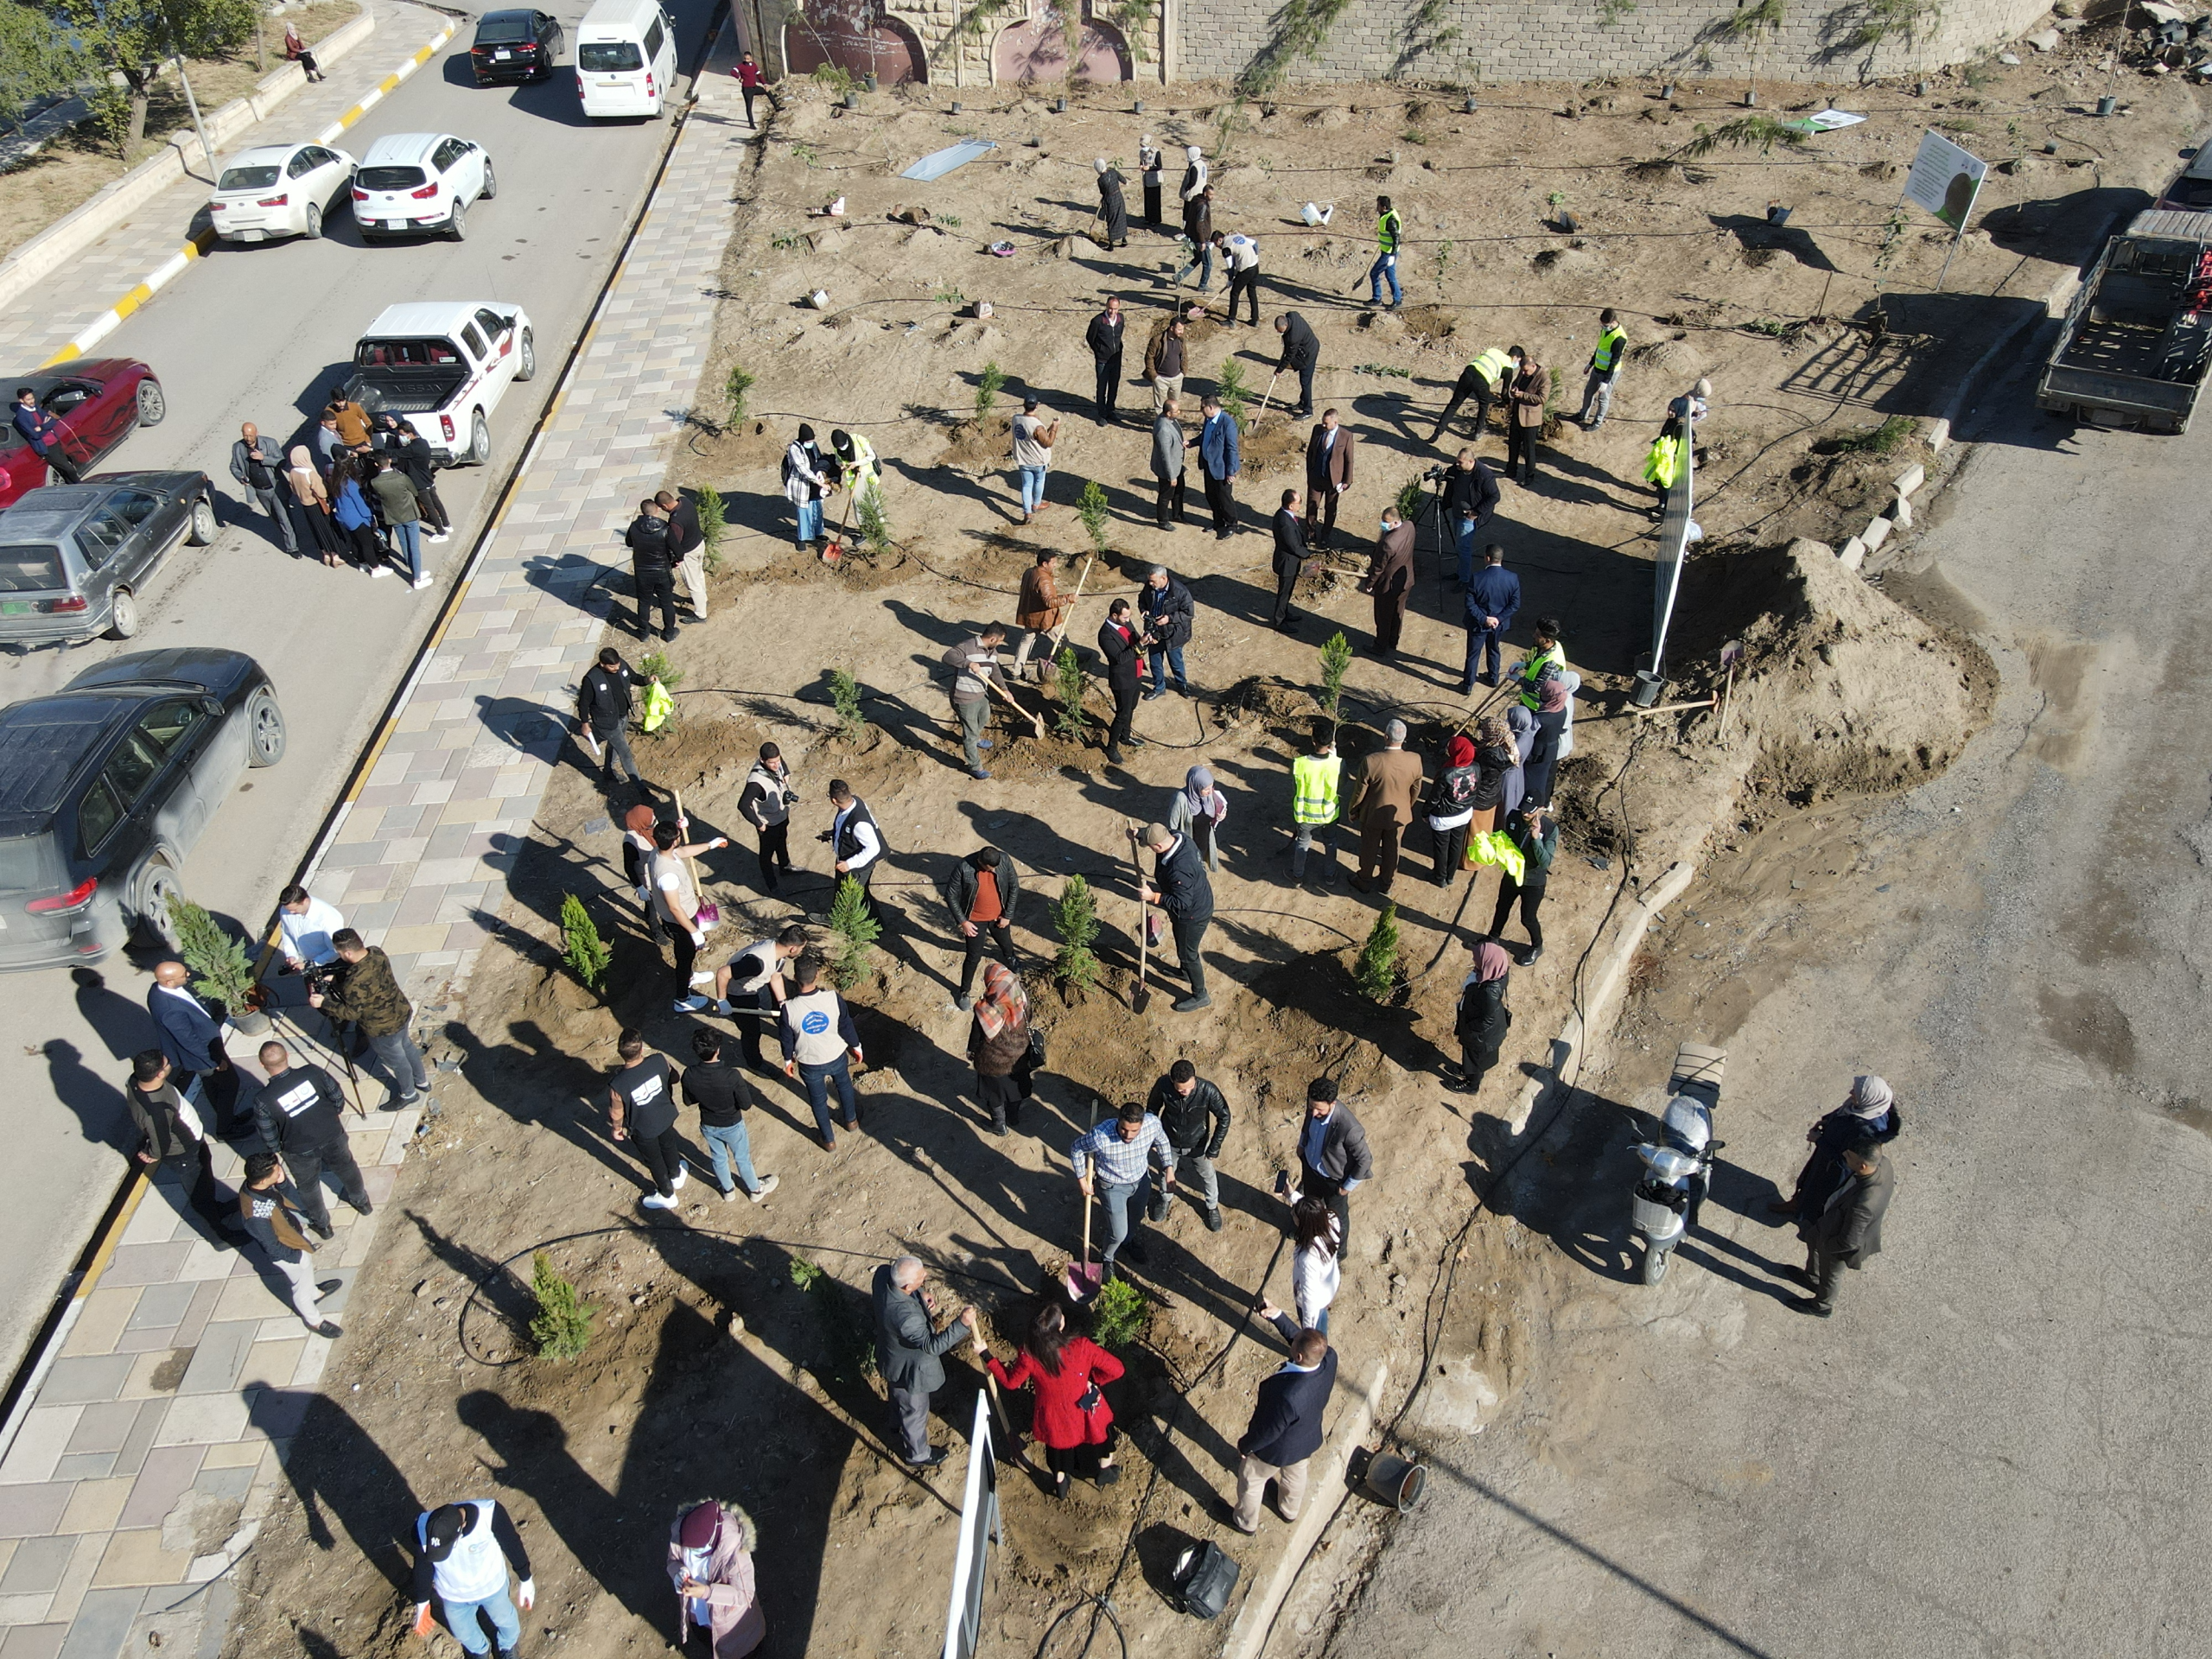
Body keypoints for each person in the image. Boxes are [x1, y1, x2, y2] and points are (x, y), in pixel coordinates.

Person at [984, 1304, 1126, 1497]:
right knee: (1101, 1439)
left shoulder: (1029, 1355)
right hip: (1085, 1408)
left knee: (1058, 1452)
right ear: (1060, 1326)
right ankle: (1104, 1472)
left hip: (1054, 1417)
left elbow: (1011, 1382)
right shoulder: (1081, 1346)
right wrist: (1094, 1380)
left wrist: (987, 1357)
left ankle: (1061, 1484)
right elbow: (1117, 1369)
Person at [1230, 1312, 1337, 1534]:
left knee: (1252, 1480)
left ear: (1297, 1356)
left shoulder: (1288, 1395)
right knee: (1296, 1475)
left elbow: (1269, 1431)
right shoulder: (1328, 1358)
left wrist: (1247, 1446)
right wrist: (1277, 1315)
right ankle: (1289, 1511)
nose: (1293, 1338)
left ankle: (1245, 1523)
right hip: (1306, 1440)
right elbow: (1302, 1342)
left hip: (1275, 1451)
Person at [253, 1040, 372, 1238]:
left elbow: (269, 1136)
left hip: (298, 1150)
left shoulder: (263, 1100)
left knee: (308, 1186)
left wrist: (279, 1149)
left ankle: (323, 1225)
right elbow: (337, 1097)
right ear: (287, 1056)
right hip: (332, 1134)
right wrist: (332, 1116)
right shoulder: (313, 1072)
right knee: (347, 1167)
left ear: (262, 1065)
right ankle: (362, 1203)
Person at [872, 1255, 975, 1469]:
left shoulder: (883, 1276)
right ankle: (917, 1454)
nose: (926, 1275)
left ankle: (893, 1423)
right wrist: (961, 1324)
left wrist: (919, 1294)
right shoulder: (906, 1318)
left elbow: (905, 1291)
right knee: (914, 1412)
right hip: (910, 1371)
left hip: (891, 1357)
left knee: (896, 1396)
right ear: (907, 1284)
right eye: (921, 1277)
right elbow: (932, 1346)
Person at [309, 929, 429, 1110]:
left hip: (382, 1028)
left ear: (347, 953)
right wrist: (339, 976)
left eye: (340, 953)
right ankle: (422, 1081)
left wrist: (324, 1002)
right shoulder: (376, 953)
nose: (340, 956)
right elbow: (367, 978)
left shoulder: (355, 983)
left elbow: (351, 1013)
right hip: (400, 1011)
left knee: (397, 1060)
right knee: (407, 1046)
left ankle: (409, 1094)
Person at [125, 1050, 236, 1242]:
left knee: (206, 1183)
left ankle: (216, 1209)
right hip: (185, 1153)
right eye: (167, 1064)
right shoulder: (156, 1111)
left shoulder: (136, 1081)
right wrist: (151, 1153)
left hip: (193, 1143)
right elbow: (161, 1142)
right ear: (159, 1074)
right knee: (199, 1194)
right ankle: (219, 1237)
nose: (171, 1065)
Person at [412, 1499, 534, 1659]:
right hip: (453, 1596)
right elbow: (422, 1565)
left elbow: (512, 1543)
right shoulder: (422, 1527)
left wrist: (525, 1578)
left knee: (506, 1620)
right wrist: (422, 1602)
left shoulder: (489, 1514)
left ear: (461, 1528)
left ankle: (507, 1645)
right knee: (463, 1632)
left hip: (492, 1587)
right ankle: (479, 1650)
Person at [238, 1154, 341, 1338]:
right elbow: (272, 1246)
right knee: (300, 1287)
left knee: (307, 1269)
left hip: (292, 1236)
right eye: (277, 1170)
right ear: (263, 1180)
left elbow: (293, 1200)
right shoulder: (255, 1215)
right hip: (288, 1252)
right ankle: (314, 1321)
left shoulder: (258, 1187)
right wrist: (295, 1256)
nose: (280, 1170)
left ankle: (315, 1293)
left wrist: (283, 1182)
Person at [1771, 1076, 1904, 1219]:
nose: (1851, 1092)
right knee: (1808, 1184)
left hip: (1832, 1171)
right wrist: (1827, 1121)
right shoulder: (1867, 1107)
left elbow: (1845, 1161)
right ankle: (1799, 1205)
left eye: (1856, 1091)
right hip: (1826, 1158)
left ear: (1869, 1097)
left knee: (1816, 1196)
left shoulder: (1865, 1131)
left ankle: (1807, 1222)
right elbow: (1842, 1115)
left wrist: (1820, 1140)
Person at [1071, 1099, 1177, 1272]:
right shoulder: (1100, 1137)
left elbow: (1162, 1141)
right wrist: (1082, 1179)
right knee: (1117, 1232)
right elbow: (1076, 1148)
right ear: (1118, 1120)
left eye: (1134, 1131)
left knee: (1135, 1218)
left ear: (1142, 1124)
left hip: (1141, 1181)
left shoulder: (1152, 1124)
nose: (1128, 1135)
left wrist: (1169, 1168)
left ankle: (1128, 1242)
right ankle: (1107, 1259)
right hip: (1112, 1187)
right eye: (1123, 1129)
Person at [1793, 1141, 1895, 1317]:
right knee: (1811, 1239)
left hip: (1837, 1242)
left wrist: (1827, 1245)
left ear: (1862, 1166)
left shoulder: (1864, 1203)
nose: (1845, 1156)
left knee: (1831, 1275)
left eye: (1849, 1157)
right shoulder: (1882, 1163)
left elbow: (1848, 1242)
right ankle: (1811, 1277)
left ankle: (1822, 1306)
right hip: (1828, 1224)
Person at [682, 1029, 778, 1203]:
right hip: (732, 1124)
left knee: (718, 1158)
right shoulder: (731, 1075)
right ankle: (756, 1190)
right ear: (717, 1050)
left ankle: (728, 1190)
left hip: (709, 1124)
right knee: (742, 1158)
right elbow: (746, 1104)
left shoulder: (689, 1074)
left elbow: (688, 1101)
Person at [147, 959, 241, 1133]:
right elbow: (189, 1040)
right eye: (184, 975)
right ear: (169, 982)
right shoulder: (170, 1010)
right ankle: (226, 1128)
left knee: (213, 1086)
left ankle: (227, 1118)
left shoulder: (159, 989)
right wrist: (214, 1061)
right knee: (230, 1084)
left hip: (205, 1049)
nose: (188, 975)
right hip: (203, 1054)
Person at [781, 955, 864, 1148]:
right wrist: (856, 1046)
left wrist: (787, 1061)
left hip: (809, 1063)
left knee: (818, 1100)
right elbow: (846, 1025)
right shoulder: (832, 998)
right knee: (844, 1086)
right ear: (817, 975)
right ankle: (851, 1121)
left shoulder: (788, 1009)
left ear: (795, 977)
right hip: (835, 1055)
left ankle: (828, 1140)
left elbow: (787, 1039)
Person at [647, 819, 730, 1008]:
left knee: (688, 954)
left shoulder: (660, 851)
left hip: (684, 915)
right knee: (684, 957)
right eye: (678, 836)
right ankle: (682, 998)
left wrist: (711, 844)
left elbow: (683, 852)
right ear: (674, 841)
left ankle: (690, 976)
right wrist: (694, 931)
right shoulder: (667, 875)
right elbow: (675, 908)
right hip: (680, 921)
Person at [667, 1500, 766, 1656]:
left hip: (733, 1628)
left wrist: (707, 1592)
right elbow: (673, 1560)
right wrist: (678, 1572)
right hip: (699, 1619)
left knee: (744, 1651)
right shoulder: (682, 1534)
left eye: (695, 1550)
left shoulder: (735, 1552)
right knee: (709, 1643)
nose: (689, 1552)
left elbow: (744, 1595)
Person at [608, 1028, 689, 1211]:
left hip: (643, 1129)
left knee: (654, 1161)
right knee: (669, 1143)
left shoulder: (618, 1084)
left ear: (621, 1053)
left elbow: (617, 1113)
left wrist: (616, 1129)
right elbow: (674, 1077)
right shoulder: (659, 1060)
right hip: (665, 1115)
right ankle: (676, 1174)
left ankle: (667, 1194)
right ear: (642, 1049)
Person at [1139, 819, 1214, 1012]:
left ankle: (1201, 995)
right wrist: (1139, 833)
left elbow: (1182, 903)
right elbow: (1158, 833)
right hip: (1193, 903)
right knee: (1182, 942)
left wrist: (1153, 896)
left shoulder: (1180, 868)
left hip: (1192, 915)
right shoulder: (1179, 838)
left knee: (1188, 955)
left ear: (1158, 846)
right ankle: (1185, 973)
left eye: (1150, 847)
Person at [1147, 1059, 1230, 1230]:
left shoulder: (1207, 1090)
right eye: (1180, 1089)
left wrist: (1215, 1146)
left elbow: (1224, 1116)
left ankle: (1212, 1206)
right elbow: (1152, 1111)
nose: (1185, 1092)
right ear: (1172, 1082)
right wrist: (1154, 1137)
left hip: (1197, 1144)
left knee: (1207, 1174)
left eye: (1189, 1087)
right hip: (1169, 1141)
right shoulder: (1163, 1086)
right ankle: (1166, 1199)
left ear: (1195, 1079)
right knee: (1165, 1172)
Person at [709, 926, 807, 1070]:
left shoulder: (778, 950)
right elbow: (723, 973)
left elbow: (776, 977)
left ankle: (790, 1040)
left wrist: (782, 1003)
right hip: (739, 994)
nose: (801, 951)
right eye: (801, 948)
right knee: (751, 1032)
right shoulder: (756, 963)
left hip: (758, 984)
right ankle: (755, 1063)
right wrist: (722, 1000)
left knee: (780, 1012)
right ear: (793, 949)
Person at [1348, 719, 1424, 894]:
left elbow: (1360, 792)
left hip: (1372, 815)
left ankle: (1364, 880)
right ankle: (1386, 882)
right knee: (1393, 849)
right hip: (1399, 816)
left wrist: (1354, 810)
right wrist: (1407, 806)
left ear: (1385, 737)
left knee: (1369, 849)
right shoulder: (1415, 760)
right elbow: (1416, 789)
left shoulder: (1371, 761)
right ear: (1404, 738)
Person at [1291, 1077, 1370, 1245]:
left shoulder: (1349, 1128)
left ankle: (1339, 1252)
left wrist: (1346, 1187)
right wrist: (1302, 1144)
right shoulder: (1314, 1107)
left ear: (1332, 1103)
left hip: (1334, 1181)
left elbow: (1365, 1159)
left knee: (1337, 1217)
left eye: (1319, 1110)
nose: (1313, 1113)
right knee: (1311, 1207)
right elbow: (1307, 1122)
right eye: (1311, 1107)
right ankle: (1309, 1233)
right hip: (1311, 1170)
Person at [944, 845, 1020, 1009]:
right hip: (974, 921)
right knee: (973, 957)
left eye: (996, 867)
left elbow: (1014, 886)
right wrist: (963, 921)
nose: (994, 870)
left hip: (999, 917)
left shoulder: (1004, 860)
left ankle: (1011, 959)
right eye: (990, 868)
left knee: (1006, 943)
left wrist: (1008, 915)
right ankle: (964, 991)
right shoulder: (964, 867)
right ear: (980, 861)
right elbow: (950, 895)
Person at [966, 962, 1031, 1135]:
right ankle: (1014, 1118)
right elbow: (1028, 1018)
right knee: (1015, 1091)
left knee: (994, 1095)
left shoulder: (985, 1009)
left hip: (993, 1063)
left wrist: (971, 1052)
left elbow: (976, 1037)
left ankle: (999, 1126)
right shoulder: (1021, 996)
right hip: (1020, 1056)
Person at [1489, 802, 1556, 964]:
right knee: (1502, 907)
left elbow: (1545, 862)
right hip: (1512, 875)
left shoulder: (1549, 828)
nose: (1525, 813)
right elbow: (1507, 840)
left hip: (1533, 882)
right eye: (1524, 809)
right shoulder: (1513, 817)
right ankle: (1492, 938)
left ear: (1540, 809)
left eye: (1530, 811)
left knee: (1528, 918)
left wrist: (1536, 839)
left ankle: (1537, 946)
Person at [943, 623, 1009, 780]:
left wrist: (1005, 689)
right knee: (970, 733)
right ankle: (975, 767)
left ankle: (975, 738)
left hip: (981, 694)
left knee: (984, 717)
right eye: (1000, 641)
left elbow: (995, 671)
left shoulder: (993, 653)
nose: (1000, 644)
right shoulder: (967, 646)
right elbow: (948, 656)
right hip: (964, 697)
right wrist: (968, 663)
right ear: (993, 638)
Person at [577, 645, 645, 791]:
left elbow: (634, 677)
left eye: (618, 665)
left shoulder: (621, 666)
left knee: (614, 744)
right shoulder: (592, 679)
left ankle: (608, 771)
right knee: (625, 752)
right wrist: (585, 723)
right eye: (612, 666)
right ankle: (641, 789)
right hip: (607, 722)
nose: (617, 668)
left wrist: (648, 680)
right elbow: (583, 704)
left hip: (623, 715)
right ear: (602, 664)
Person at [1452, 940, 1513, 1094]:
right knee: (1471, 1057)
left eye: (1477, 959)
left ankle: (1471, 1085)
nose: (1474, 961)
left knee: (1476, 1060)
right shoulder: (1496, 973)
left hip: (1481, 1035)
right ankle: (1467, 1070)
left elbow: (1486, 1021)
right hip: (1482, 1030)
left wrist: (1469, 1028)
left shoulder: (1488, 992)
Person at [736, 743, 798, 894]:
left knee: (782, 840)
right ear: (762, 760)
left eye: (778, 761)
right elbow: (743, 805)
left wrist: (786, 776)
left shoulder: (776, 762)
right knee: (766, 855)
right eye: (772, 763)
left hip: (781, 815)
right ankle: (772, 885)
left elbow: (782, 766)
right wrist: (759, 824)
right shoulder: (756, 783)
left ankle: (785, 867)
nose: (777, 765)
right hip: (768, 823)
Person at [229, 423, 297, 553]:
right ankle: (291, 534)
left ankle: (292, 547)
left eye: (251, 435)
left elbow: (281, 461)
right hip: (260, 490)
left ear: (257, 433)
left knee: (283, 517)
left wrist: (264, 458)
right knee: (275, 517)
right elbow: (233, 466)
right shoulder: (238, 447)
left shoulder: (269, 443)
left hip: (275, 488)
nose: (248, 438)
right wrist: (240, 477)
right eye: (245, 435)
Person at [1463, 543, 1520, 692]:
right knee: (1494, 649)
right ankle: (1493, 678)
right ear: (1501, 558)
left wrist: (1484, 619)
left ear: (1487, 558)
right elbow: (1514, 605)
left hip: (1478, 624)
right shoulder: (1512, 578)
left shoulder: (1477, 578)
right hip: (1499, 625)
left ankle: (1468, 686)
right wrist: (1498, 619)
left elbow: (1470, 604)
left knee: (1473, 654)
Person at [1289, 721, 1341, 885]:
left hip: (1305, 815)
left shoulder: (1300, 764)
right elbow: (1343, 783)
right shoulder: (1337, 764)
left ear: (1313, 741)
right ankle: (1330, 875)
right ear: (1331, 742)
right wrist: (1334, 755)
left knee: (1302, 844)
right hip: (1329, 815)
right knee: (1331, 843)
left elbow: (1295, 787)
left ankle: (1297, 876)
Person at [1425, 734, 1480, 886]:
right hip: (1464, 813)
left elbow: (1434, 798)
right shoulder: (1476, 767)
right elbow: (1476, 789)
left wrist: (1425, 812)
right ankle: (1450, 875)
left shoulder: (1446, 773)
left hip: (1443, 817)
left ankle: (1439, 877)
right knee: (1457, 844)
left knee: (1441, 847)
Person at [1429, 346, 1513, 447]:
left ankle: (1438, 432)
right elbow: (1505, 393)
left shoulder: (1494, 351)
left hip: (1468, 373)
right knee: (1483, 405)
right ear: (1517, 358)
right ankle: (1477, 433)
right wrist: (1507, 403)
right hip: (1482, 381)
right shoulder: (1509, 367)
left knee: (1454, 404)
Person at [1359, 505, 1414, 658]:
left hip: (1388, 585)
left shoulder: (1388, 543)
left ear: (1396, 522)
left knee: (1383, 616)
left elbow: (1378, 568)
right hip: (1406, 580)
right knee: (1398, 612)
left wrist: (1369, 584)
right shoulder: (1410, 526)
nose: (1383, 524)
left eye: (1386, 522)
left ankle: (1380, 646)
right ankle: (1393, 641)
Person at [1443, 447, 1500, 588]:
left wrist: (1476, 512)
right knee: (1459, 545)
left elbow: (1495, 496)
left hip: (1469, 518)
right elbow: (1450, 474)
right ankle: (1461, 572)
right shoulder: (1458, 469)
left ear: (1471, 461)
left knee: (1464, 548)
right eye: (1456, 462)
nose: (1457, 465)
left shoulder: (1484, 475)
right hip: (1456, 513)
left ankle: (1464, 579)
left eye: (1460, 462)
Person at [389, 418, 453, 542]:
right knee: (436, 502)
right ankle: (447, 524)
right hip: (427, 477)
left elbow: (395, 453)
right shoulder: (423, 442)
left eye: (402, 435)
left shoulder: (411, 449)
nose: (401, 437)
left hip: (419, 482)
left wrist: (373, 451)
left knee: (429, 506)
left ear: (409, 433)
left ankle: (441, 532)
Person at [1286, 1195, 1342, 1332]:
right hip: (1329, 1287)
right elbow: (1317, 1210)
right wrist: (1292, 1195)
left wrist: (1308, 1331)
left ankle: (1318, 1351)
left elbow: (1309, 1299)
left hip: (1317, 1301)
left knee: (1317, 1334)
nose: (1291, 1213)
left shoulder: (1308, 1258)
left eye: (1295, 1214)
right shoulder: (1332, 1221)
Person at [826, 780, 882, 918]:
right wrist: (835, 834)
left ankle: (836, 919)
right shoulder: (852, 803)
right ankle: (876, 923)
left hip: (857, 867)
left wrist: (850, 864)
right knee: (860, 893)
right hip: (847, 861)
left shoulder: (859, 822)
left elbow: (874, 848)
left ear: (834, 800)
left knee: (852, 894)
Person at [1098, 598, 1144, 765]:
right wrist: (1139, 645)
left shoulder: (1126, 622)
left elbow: (1135, 637)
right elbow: (1119, 658)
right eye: (1125, 617)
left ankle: (1125, 736)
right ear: (1114, 615)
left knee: (1131, 707)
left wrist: (1145, 641)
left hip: (1136, 673)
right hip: (1122, 680)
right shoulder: (1105, 635)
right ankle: (1111, 747)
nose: (1128, 620)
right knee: (1122, 713)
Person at [371, 455, 428, 588]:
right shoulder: (401, 478)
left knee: (404, 543)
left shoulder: (375, 482)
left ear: (376, 464)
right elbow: (414, 491)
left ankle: (414, 569)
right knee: (414, 547)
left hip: (393, 516)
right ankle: (417, 579)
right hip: (409, 514)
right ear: (389, 460)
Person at [1302, 408, 1355, 551]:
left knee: (1330, 509)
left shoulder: (1346, 436)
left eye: (1326, 423)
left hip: (1334, 481)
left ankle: (1325, 536)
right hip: (1316, 477)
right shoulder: (1317, 430)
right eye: (1322, 422)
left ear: (1335, 422)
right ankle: (1310, 535)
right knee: (1312, 505)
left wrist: (1347, 481)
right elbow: (1311, 452)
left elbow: (1349, 460)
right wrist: (1310, 471)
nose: (1323, 426)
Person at [1139, 565, 1194, 699]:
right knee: (1155, 662)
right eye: (1150, 581)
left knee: (1176, 662)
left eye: (1153, 581)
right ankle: (1159, 688)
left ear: (1164, 578)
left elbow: (1189, 613)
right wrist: (1144, 610)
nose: (1151, 584)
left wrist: (1169, 619)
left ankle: (1182, 685)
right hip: (1154, 630)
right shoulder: (1149, 588)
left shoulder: (1180, 592)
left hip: (1174, 633)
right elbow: (1142, 599)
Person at [1014, 549, 1068, 683]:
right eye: (1053, 563)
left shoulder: (1029, 572)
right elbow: (1050, 602)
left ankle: (1016, 671)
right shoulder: (1044, 579)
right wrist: (1068, 598)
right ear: (1045, 564)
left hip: (1031, 616)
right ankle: (1071, 661)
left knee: (1026, 642)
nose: (1055, 565)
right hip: (1046, 618)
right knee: (1062, 641)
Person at [626, 495, 677, 640]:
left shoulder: (634, 526)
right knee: (666, 603)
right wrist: (676, 559)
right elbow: (677, 550)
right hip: (661, 571)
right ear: (656, 511)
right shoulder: (664, 528)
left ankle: (643, 633)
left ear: (643, 512)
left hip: (642, 572)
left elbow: (629, 543)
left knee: (643, 602)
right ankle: (668, 633)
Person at [286, 444, 342, 564]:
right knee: (328, 528)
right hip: (317, 505)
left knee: (317, 530)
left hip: (306, 506)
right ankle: (335, 556)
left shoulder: (292, 472)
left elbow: (294, 490)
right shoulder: (310, 473)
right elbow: (321, 492)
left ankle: (325, 555)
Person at [658, 488, 707, 622]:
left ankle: (701, 615)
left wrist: (674, 560)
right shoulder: (686, 501)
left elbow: (675, 543)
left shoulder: (675, 522)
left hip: (688, 553)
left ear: (664, 506)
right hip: (699, 544)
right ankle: (703, 598)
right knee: (699, 574)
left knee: (692, 584)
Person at [11, 386, 79, 482]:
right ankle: (78, 483)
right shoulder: (21, 417)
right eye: (28, 399)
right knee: (68, 468)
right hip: (46, 447)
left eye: (32, 398)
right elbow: (35, 435)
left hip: (54, 441)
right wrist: (46, 425)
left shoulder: (35, 408)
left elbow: (52, 421)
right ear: (21, 401)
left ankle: (72, 484)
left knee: (64, 467)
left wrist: (42, 427)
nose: (32, 401)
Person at [1168, 765, 1228, 872]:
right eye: (1206, 789)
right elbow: (1172, 826)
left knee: (1200, 864)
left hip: (1204, 839)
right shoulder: (1180, 799)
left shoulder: (1208, 796)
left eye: (1212, 787)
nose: (1210, 792)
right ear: (1195, 786)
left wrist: (1219, 817)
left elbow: (1211, 816)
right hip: (1188, 845)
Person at [1524, 675, 1572, 809]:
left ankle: (1529, 803)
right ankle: (1542, 801)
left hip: (1537, 752)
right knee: (1544, 776)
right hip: (1552, 749)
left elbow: (1529, 734)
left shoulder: (1540, 719)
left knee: (1531, 777)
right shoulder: (1563, 709)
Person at [1198, 394, 1240, 538]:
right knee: (1211, 495)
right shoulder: (1208, 420)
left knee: (1224, 498)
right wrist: (1191, 443)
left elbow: (1232, 449)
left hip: (1222, 468)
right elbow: (1204, 437)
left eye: (1202, 407)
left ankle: (1232, 524)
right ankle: (1218, 522)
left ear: (1211, 407)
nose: (1201, 410)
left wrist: (1231, 471)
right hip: (1209, 465)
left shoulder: (1227, 423)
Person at [277, 885, 345, 974]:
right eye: (288, 909)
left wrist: (310, 964)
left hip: (330, 965)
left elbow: (335, 950)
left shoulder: (328, 918)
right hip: (308, 964)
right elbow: (286, 932)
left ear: (305, 901)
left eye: (294, 909)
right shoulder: (286, 910)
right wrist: (291, 954)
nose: (291, 913)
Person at [1503, 345, 1546, 488]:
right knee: (1513, 444)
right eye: (1522, 370)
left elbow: (1542, 399)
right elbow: (1515, 384)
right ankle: (1511, 470)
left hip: (1531, 420)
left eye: (1526, 370)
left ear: (1533, 366)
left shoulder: (1544, 378)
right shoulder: (1522, 372)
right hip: (1517, 414)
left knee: (1529, 450)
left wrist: (1523, 395)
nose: (1524, 373)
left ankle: (1529, 476)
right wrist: (1514, 389)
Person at [1579, 308, 1628, 429]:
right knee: (1588, 392)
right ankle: (1582, 414)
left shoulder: (1619, 338)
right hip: (1597, 368)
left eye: (1605, 325)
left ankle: (1597, 422)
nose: (1603, 327)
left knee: (1603, 398)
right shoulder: (1605, 331)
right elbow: (1600, 347)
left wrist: (1606, 381)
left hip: (1608, 372)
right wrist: (1591, 363)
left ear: (1613, 322)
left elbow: (1614, 361)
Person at [330, 455, 382, 569]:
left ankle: (362, 564)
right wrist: (370, 518)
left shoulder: (336, 481)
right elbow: (360, 503)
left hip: (344, 517)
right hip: (357, 518)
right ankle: (376, 568)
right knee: (367, 544)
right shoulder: (350, 483)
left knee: (355, 541)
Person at [1011, 398, 1058, 525]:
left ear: (1023, 405)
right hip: (1038, 461)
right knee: (1039, 481)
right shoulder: (1037, 426)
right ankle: (1036, 504)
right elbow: (1048, 442)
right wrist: (1054, 428)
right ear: (1037, 405)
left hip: (1024, 460)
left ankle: (1027, 513)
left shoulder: (1016, 419)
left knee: (1026, 485)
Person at [783, 424, 830, 550]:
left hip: (815, 484)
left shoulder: (813, 446)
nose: (811, 443)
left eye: (812, 441)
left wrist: (820, 473)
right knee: (803, 511)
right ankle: (802, 538)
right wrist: (819, 483)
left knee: (816, 508)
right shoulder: (794, 449)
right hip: (802, 484)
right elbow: (802, 469)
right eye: (808, 441)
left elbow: (819, 460)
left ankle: (818, 533)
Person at [1269, 488, 1308, 633]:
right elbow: (1293, 546)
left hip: (1289, 561)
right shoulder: (1284, 522)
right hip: (1287, 563)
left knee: (1288, 591)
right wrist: (1308, 554)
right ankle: (1279, 620)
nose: (1300, 505)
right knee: (1284, 593)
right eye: (1299, 502)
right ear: (1291, 506)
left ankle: (1285, 613)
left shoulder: (1283, 515)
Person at [1149, 392, 1188, 527]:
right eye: (1177, 411)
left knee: (1179, 490)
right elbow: (1165, 455)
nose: (1179, 412)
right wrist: (1171, 476)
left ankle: (1177, 514)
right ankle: (1163, 520)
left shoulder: (1170, 420)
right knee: (1166, 495)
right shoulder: (1163, 429)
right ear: (1168, 413)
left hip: (1177, 465)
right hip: (1168, 470)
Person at [1084, 296, 1125, 424]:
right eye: (1110, 308)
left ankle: (1110, 410)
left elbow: (1119, 335)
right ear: (1106, 307)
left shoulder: (1120, 319)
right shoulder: (1098, 321)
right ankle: (1102, 413)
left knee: (1114, 385)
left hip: (1116, 359)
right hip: (1103, 360)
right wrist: (1099, 350)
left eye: (1115, 309)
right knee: (1102, 386)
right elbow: (1090, 337)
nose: (1113, 312)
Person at [1643, 407, 1687, 522]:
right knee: (1661, 485)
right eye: (1669, 409)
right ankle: (1661, 506)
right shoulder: (1671, 421)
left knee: (1666, 485)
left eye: (1674, 410)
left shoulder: (1680, 427)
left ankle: (1665, 512)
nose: (1670, 412)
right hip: (1663, 461)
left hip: (1671, 463)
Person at [830, 428, 884, 518]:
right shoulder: (837, 449)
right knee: (858, 505)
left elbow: (872, 456)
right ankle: (863, 528)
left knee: (873, 502)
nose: (841, 448)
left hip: (867, 477)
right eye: (839, 447)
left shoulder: (859, 440)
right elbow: (837, 460)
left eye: (842, 446)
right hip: (854, 481)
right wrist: (841, 465)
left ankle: (879, 524)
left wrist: (856, 464)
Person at [1274, 312, 1319, 417]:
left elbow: (1289, 356)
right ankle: (1302, 403)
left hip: (1309, 353)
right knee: (1304, 380)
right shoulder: (1291, 315)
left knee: (1305, 382)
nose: (1278, 332)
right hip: (1308, 345)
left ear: (1285, 325)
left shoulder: (1293, 337)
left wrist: (1279, 370)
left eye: (1279, 330)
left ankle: (1308, 411)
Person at [1218, 227, 1262, 324]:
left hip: (1246, 270)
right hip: (1255, 266)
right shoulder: (1238, 236)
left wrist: (1230, 280)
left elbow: (1230, 266)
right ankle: (1255, 320)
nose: (1217, 246)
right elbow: (1254, 243)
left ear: (1220, 240)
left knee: (1234, 293)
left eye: (1215, 243)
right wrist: (1255, 257)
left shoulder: (1226, 248)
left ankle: (1231, 319)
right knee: (1252, 292)